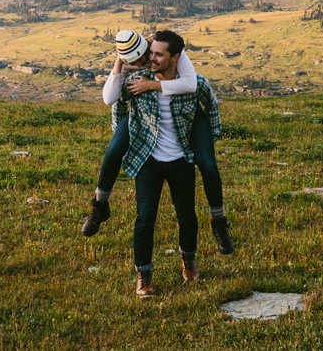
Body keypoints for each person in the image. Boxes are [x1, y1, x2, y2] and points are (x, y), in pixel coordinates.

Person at [81, 30, 233, 255]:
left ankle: (219, 222)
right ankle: (100, 206)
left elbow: (198, 91)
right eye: (142, 58)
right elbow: (115, 99)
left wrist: (212, 135)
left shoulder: (175, 61)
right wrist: (122, 129)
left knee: (208, 165)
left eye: (152, 55)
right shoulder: (131, 65)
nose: (147, 61)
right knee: (113, 149)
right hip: (143, 126)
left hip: (188, 115)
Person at [111, 30, 221, 297]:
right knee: (145, 218)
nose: (152, 58)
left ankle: (189, 260)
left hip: (182, 158)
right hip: (148, 159)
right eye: (151, 53)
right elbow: (117, 106)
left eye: (159, 54)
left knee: (187, 216)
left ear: (175, 58)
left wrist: (209, 139)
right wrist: (122, 136)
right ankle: (144, 276)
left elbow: (212, 105)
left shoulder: (194, 83)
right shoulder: (137, 81)